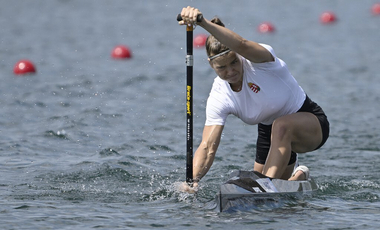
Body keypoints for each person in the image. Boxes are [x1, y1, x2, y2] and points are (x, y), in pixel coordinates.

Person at [178, 6, 329, 191]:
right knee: (275, 196)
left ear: (239, 55)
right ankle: (298, 178)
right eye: (222, 68)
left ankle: (265, 188)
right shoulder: (219, 95)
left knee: (266, 174)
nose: (231, 71)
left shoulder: (261, 60)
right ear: (211, 65)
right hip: (270, 133)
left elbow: (241, 44)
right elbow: (208, 146)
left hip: (310, 122)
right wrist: (192, 181)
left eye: (234, 62)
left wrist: (202, 22)